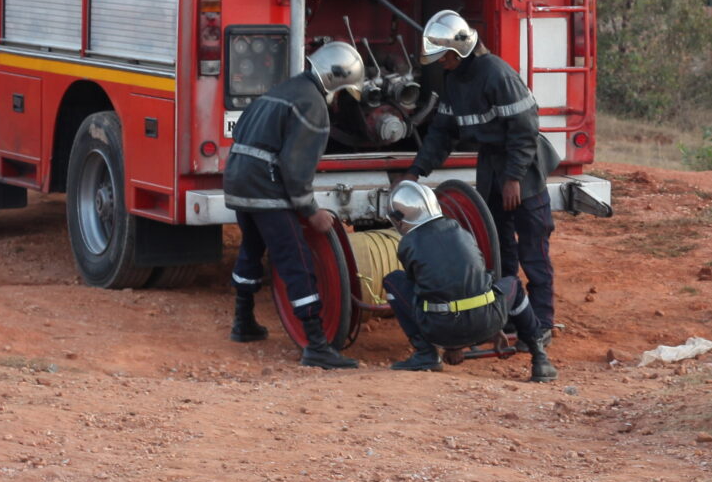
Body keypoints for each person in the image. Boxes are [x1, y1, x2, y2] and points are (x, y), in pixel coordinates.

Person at [408, 10, 556, 339]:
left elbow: (525, 130)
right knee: (500, 251)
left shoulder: (496, 74)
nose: (440, 63)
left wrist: (514, 178)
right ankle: (509, 316)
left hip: (523, 173)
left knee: (534, 251)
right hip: (491, 170)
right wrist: (417, 171)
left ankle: (542, 325)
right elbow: (442, 133)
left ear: (458, 51)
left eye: (443, 56)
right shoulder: (454, 80)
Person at [226, 41, 367, 370]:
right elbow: (295, 167)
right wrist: (309, 210)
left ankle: (242, 322)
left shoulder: (284, 89)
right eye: (344, 92)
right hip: (266, 189)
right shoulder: (313, 105)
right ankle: (317, 344)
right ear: (335, 82)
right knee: (297, 260)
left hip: (237, 181)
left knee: (251, 248)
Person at [383, 179, 553, 382]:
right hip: (488, 321)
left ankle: (425, 354)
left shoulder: (407, 244)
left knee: (393, 281)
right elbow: (479, 279)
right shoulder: (461, 231)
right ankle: (540, 359)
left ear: (399, 218)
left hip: (441, 329)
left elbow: (422, 290)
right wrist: (494, 326)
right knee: (513, 284)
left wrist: (452, 343)